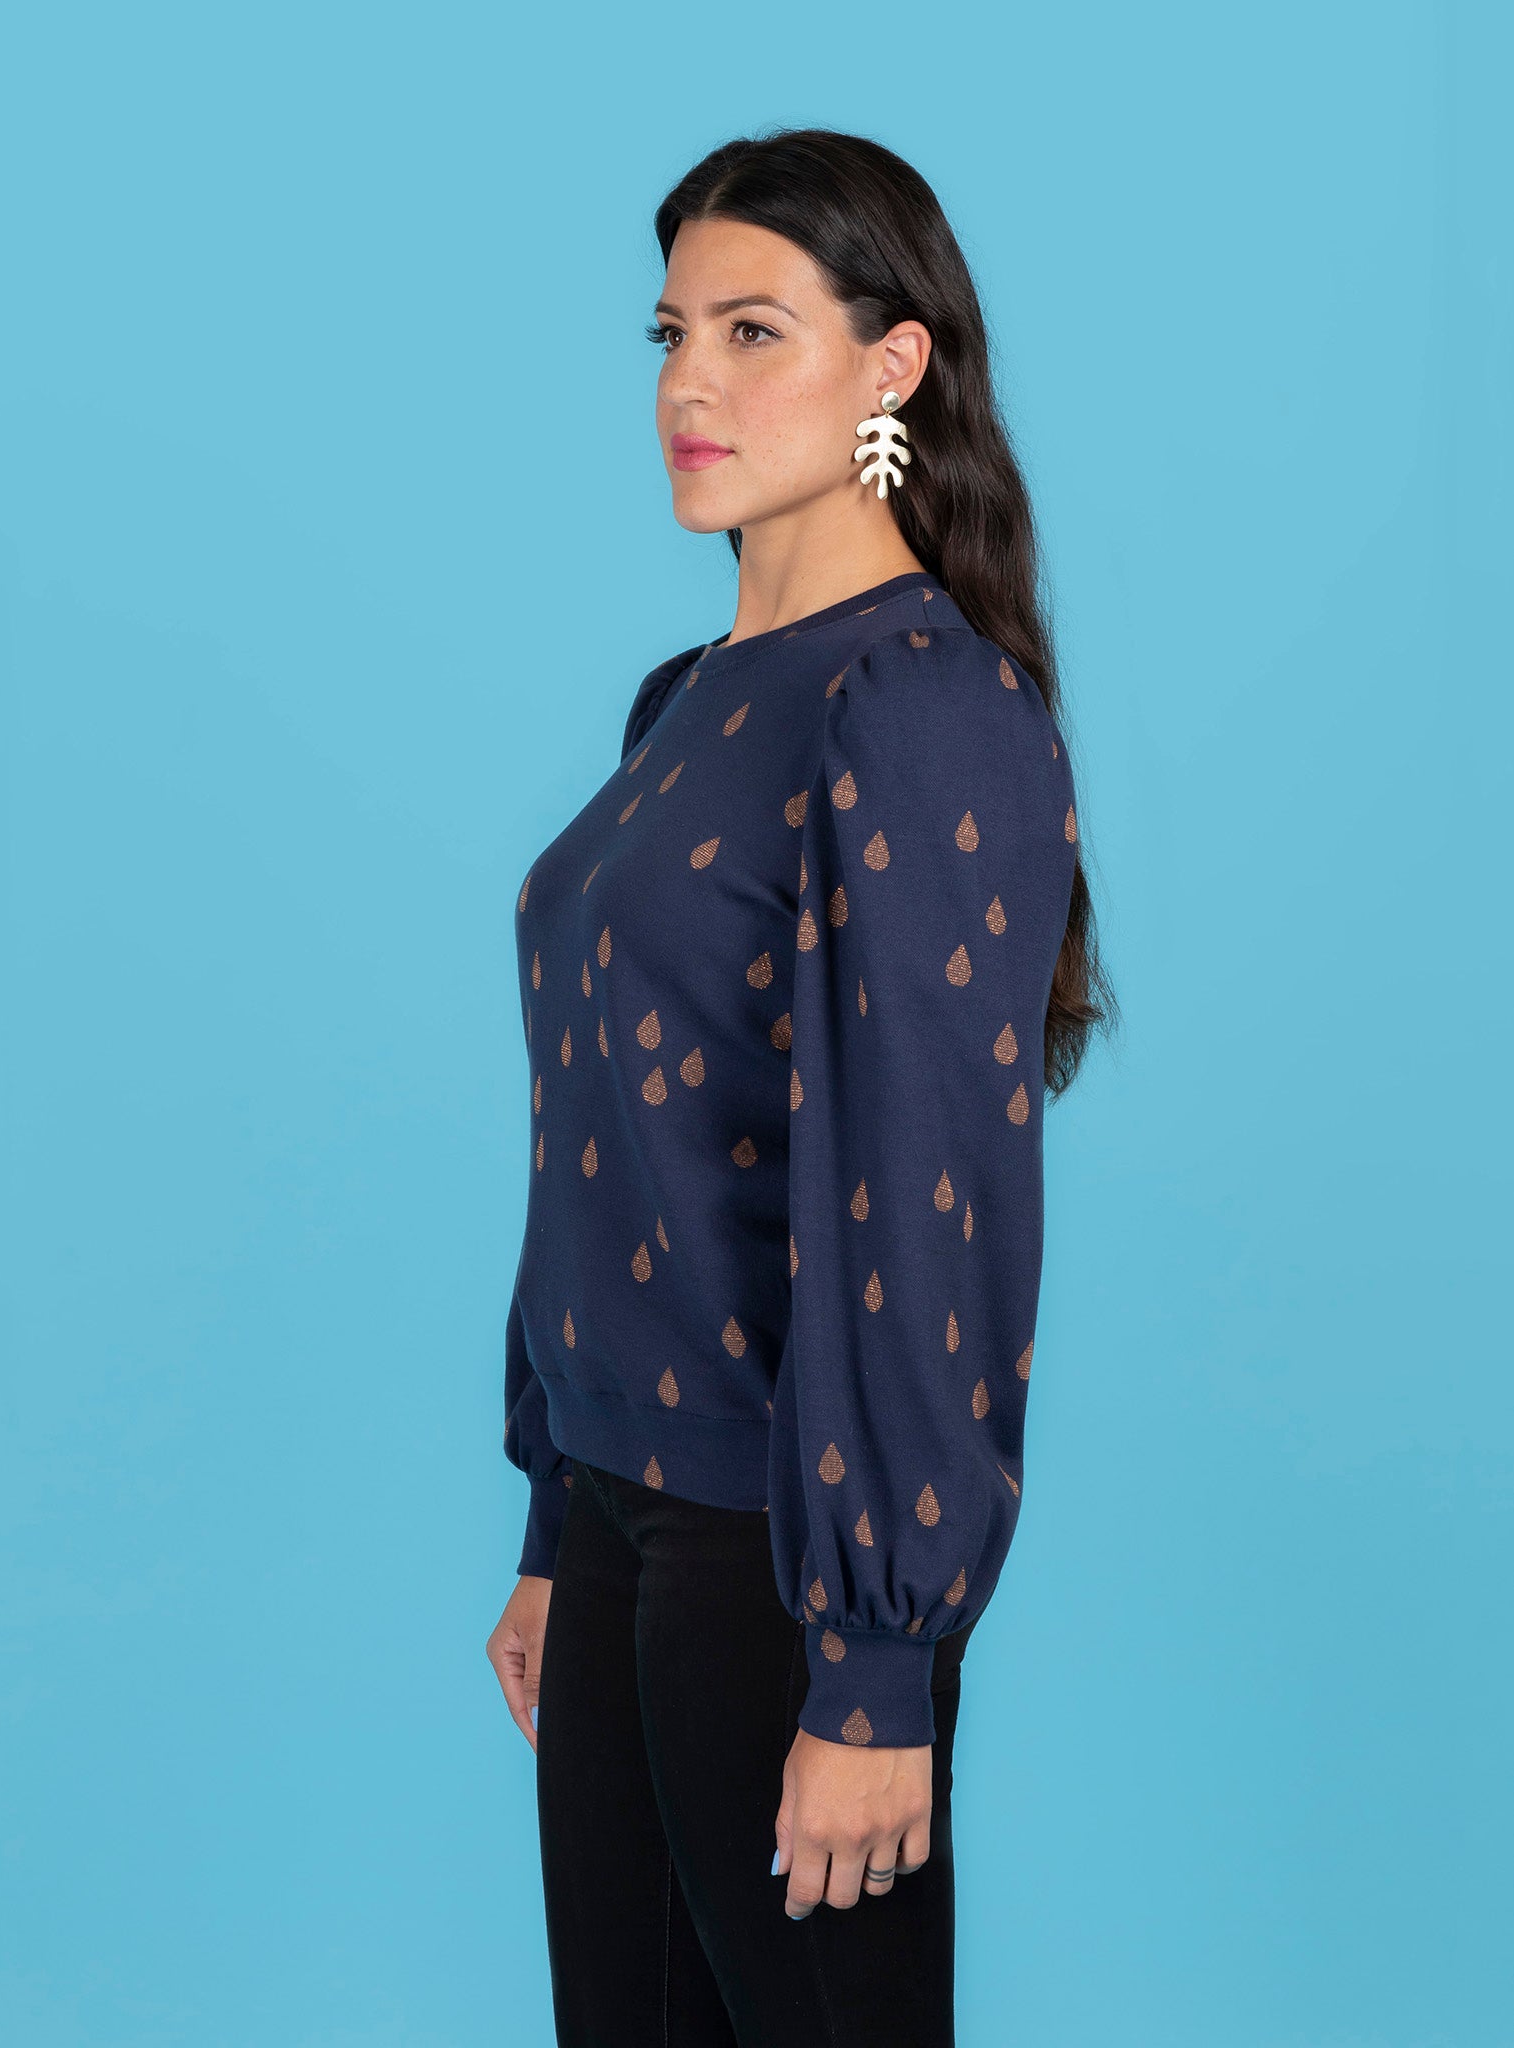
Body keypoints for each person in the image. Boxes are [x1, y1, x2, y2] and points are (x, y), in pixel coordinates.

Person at [485, 125, 1116, 2046]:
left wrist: (874, 1666)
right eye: (670, 332)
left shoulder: (913, 706)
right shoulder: (684, 704)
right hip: (622, 1520)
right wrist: (553, 1526)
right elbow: (601, 1139)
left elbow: (928, 1205)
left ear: (891, 364)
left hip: (779, 1556)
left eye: (754, 331)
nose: (689, 384)